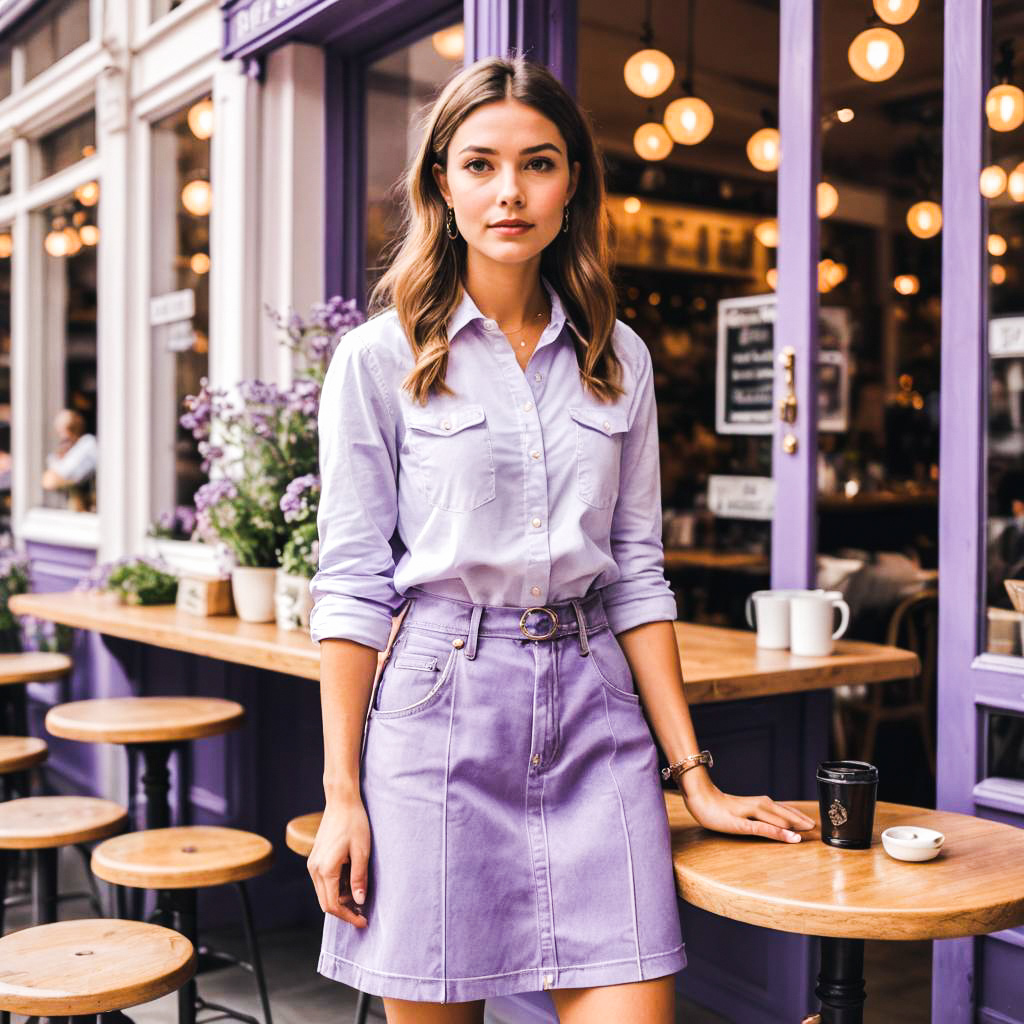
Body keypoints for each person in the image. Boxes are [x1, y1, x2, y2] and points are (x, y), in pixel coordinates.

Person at [306, 55, 814, 1024]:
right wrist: (342, 794)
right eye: (480, 164)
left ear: (572, 181)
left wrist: (693, 778)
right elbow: (352, 582)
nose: (509, 191)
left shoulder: (615, 355)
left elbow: (635, 574)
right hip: (436, 715)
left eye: (537, 163)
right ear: (440, 184)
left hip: (593, 720)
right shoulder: (378, 359)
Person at [42, 409, 96, 512]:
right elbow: (48, 481)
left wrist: (60, 478)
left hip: (87, 507)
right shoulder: (63, 450)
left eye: (62, 430)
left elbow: (61, 476)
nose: (61, 435)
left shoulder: (88, 444)